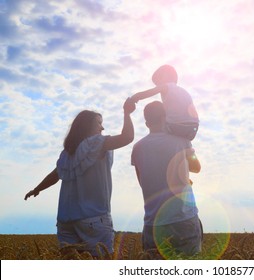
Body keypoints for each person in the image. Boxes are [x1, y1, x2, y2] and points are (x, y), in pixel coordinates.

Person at [24, 99, 136, 257]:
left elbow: (55, 175)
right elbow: (127, 137)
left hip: (66, 221)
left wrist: (37, 189)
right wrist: (127, 113)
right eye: (99, 123)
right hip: (94, 219)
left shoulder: (68, 153)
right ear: (87, 127)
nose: (102, 127)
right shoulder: (97, 143)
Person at [131, 101, 202, 258]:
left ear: (147, 122)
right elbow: (196, 167)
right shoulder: (181, 141)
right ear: (166, 117)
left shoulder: (137, 148)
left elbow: (142, 181)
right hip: (182, 218)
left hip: (152, 223)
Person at [129, 64, 199, 141]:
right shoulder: (184, 91)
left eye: (157, 83)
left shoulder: (167, 86)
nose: (157, 86)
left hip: (176, 125)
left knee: (158, 121)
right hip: (193, 128)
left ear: (165, 76)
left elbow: (148, 93)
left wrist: (134, 98)